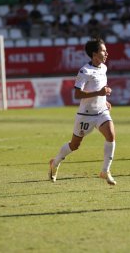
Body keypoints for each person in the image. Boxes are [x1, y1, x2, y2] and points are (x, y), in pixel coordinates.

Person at [48, 38, 117, 186]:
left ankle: (105, 170)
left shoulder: (104, 68)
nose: (106, 53)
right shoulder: (84, 71)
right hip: (86, 115)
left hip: (101, 112)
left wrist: (103, 100)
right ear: (94, 54)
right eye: (103, 51)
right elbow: (77, 94)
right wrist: (99, 92)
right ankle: (55, 162)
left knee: (111, 135)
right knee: (74, 145)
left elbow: (100, 88)